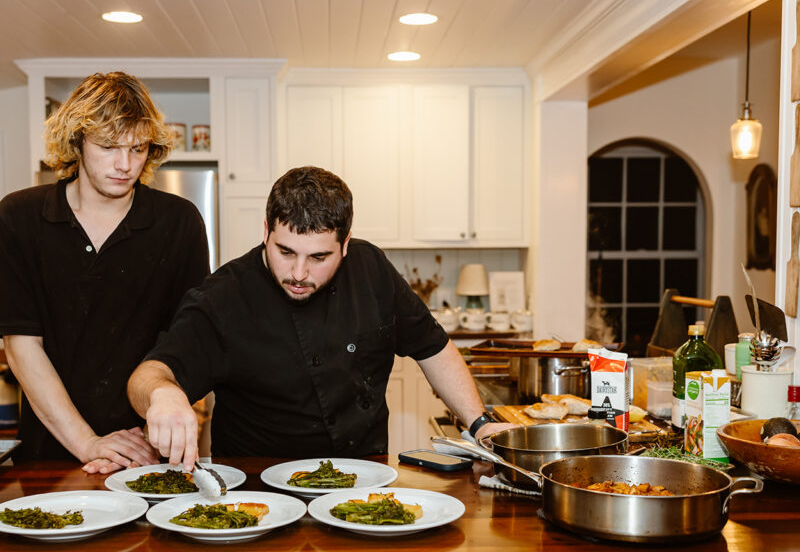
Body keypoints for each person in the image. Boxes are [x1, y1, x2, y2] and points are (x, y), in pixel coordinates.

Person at [128, 166, 514, 469]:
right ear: (266, 231)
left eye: (318, 257)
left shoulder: (372, 269)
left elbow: (433, 347)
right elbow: (148, 374)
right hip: (258, 493)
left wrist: (480, 425)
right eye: (285, 251)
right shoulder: (223, 297)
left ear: (346, 245)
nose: (298, 273)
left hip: (364, 479)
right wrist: (163, 395)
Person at [0, 71, 209, 473]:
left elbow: (192, 339)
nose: (125, 165)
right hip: (51, 452)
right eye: (108, 146)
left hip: (148, 452)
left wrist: (160, 415)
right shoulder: (19, 217)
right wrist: (87, 442)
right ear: (77, 142)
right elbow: (21, 346)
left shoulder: (180, 223)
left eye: (138, 148)